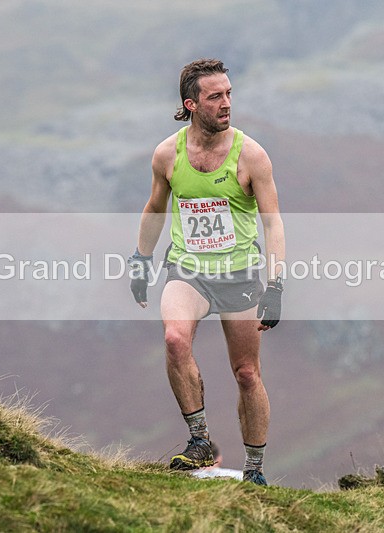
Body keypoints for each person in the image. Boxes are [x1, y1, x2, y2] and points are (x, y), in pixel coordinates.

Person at [128, 58, 286, 486]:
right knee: (174, 338)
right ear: (191, 103)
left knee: (247, 373)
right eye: (215, 96)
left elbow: (272, 222)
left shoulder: (250, 155)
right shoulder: (168, 154)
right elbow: (155, 208)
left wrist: (276, 285)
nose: (226, 103)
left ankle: (254, 471)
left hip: (239, 275)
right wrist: (140, 262)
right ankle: (199, 440)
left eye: (229, 94)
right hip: (188, 270)